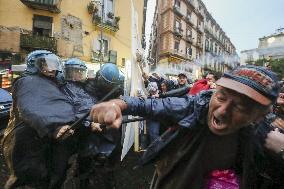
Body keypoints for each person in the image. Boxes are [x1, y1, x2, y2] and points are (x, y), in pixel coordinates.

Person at [89, 65, 282, 188]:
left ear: (260, 114)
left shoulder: (266, 140)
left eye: (239, 106)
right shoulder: (194, 107)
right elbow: (152, 105)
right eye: (221, 97)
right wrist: (118, 104)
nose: (222, 111)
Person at [2, 50, 76, 189]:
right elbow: (35, 107)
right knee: (33, 178)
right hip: (30, 142)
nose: (52, 69)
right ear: (34, 65)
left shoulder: (52, 83)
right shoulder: (29, 82)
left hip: (42, 140)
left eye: (54, 64)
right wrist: (55, 126)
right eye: (46, 65)